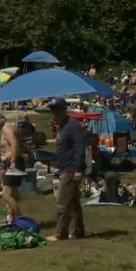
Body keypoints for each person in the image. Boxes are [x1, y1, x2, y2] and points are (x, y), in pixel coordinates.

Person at [46, 98, 86, 242]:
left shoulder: (72, 126)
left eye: (56, 110)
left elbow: (80, 148)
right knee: (74, 203)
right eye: (52, 110)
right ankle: (78, 231)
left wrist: (79, 169)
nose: (54, 113)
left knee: (62, 203)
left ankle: (60, 233)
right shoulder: (61, 127)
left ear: (64, 110)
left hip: (71, 169)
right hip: (64, 167)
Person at [0, 112, 26, 222]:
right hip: (11, 162)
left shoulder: (6, 128)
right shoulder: (8, 128)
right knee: (12, 194)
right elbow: (20, 143)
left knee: (6, 195)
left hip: (13, 162)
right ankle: (11, 218)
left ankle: (19, 218)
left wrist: (13, 161)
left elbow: (14, 143)